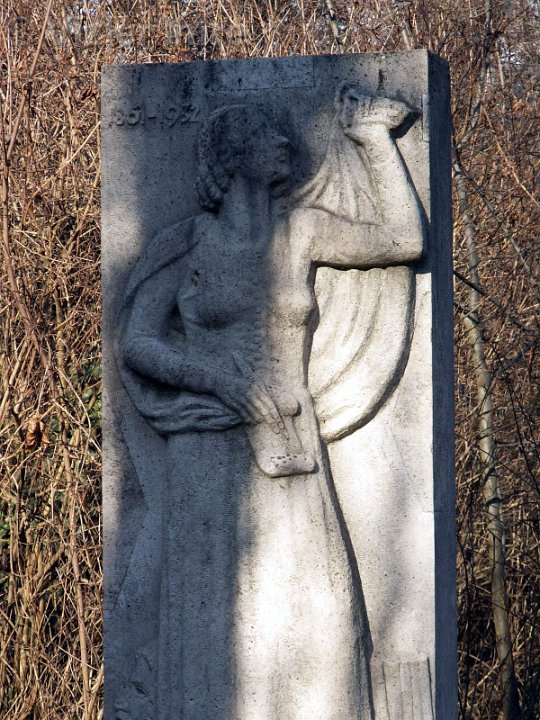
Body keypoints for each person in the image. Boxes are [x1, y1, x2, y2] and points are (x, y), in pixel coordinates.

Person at [116, 84, 424, 720]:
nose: (285, 140)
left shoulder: (302, 232)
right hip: (208, 453)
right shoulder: (191, 244)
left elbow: (403, 240)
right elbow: (138, 341)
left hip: (288, 445)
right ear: (232, 158)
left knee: (320, 612)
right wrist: (218, 380)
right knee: (214, 626)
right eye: (266, 134)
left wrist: (372, 141)